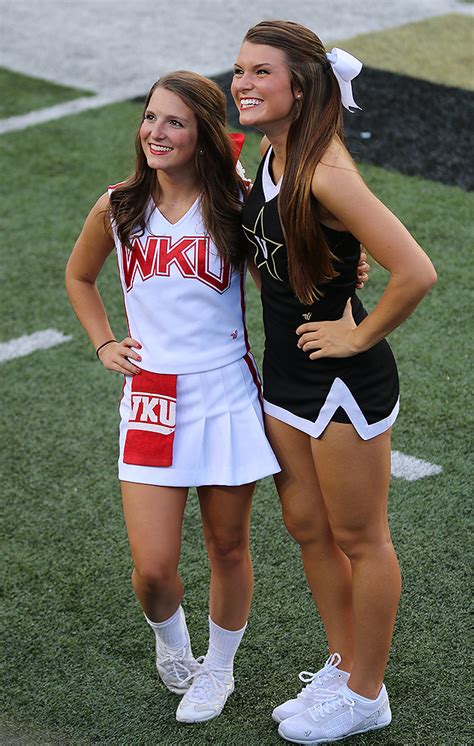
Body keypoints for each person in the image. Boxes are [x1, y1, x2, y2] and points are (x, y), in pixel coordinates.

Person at [231, 20, 437, 743]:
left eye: (261, 73)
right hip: (286, 376)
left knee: (361, 536)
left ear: (300, 87)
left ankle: (368, 694)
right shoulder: (271, 154)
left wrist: (358, 331)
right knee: (308, 527)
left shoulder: (325, 171)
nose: (243, 84)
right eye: (240, 70)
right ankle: (345, 663)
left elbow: (416, 269)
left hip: (343, 386)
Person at [65, 70, 282, 725]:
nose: (157, 132)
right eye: (151, 118)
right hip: (153, 398)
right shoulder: (120, 204)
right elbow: (79, 275)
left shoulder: (237, 205)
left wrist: (341, 265)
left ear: (204, 135)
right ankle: (174, 648)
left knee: (228, 547)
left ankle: (219, 669)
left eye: (175, 122)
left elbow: (285, 274)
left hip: (225, 392)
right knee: (155, 568)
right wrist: (105, 343)